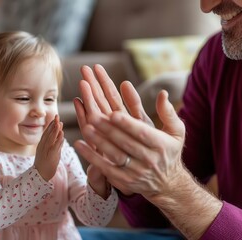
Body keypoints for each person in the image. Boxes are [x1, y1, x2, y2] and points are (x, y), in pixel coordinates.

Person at [72, 0, 242, 239]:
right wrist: (139, 167)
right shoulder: (216, 57)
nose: (206, 6)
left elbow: (176, 191)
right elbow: (154, 217)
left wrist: (175, 187)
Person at [0, 31, 117, 240]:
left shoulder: (62, 153)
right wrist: (39, 173)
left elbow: (94, 218)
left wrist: (98, 185)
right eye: (23, 98)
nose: (40, 110)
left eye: (49, 99)